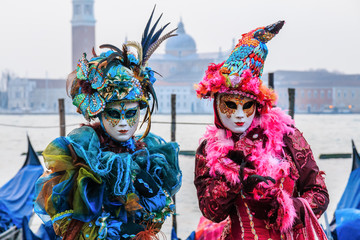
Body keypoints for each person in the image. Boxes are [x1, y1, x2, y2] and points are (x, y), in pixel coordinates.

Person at [34, 8, 181, 240]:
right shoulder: (81, 157)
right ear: (99, 113)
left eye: (131, 113)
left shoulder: (149, 156)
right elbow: (66, 224)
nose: (123, 123)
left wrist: (151, 200)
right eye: (114, 113)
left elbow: (157, 218)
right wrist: (108, 230)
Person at [194, 21, 329, 239]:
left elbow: (319, 194)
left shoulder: (287, 136)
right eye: (230, 104)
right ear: (216, 104)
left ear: (258, 106)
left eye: (247, 106)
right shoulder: (209, 149)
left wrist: (283, 206)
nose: (239, 114)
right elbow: (211, 212)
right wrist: (234, 179)